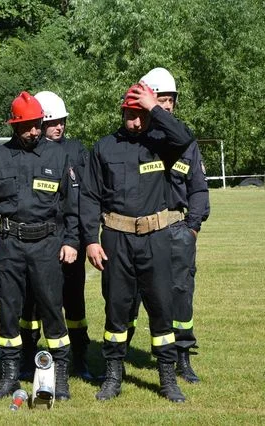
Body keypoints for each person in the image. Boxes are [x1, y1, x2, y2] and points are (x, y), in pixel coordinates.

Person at [80, 83, 194, 403]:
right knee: (116, 308)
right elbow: (89, 196)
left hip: (156, 237)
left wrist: (155, 107)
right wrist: (90, 240)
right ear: (122, 112)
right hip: (116, 238)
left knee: (161, 307)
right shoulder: (103, 147)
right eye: (131, 115)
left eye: (141, 116)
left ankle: (168, 378)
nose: (136, 123)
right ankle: (114, 374)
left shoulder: (162, 143)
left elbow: (186, 138)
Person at [0, 92, 79, 400]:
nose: (34, 131)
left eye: (37, 125)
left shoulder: (58, 155)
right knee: (8, 310)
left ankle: (60, 375)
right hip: (9, 243)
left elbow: (71, 204)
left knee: (51, 307)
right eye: (27, 126)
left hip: (47, 244)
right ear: (15, 126)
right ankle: (9, 376)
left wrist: (72, 240)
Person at [138, 67, 210, 383]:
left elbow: (198, 188)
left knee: (181, 294)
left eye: (170, 101)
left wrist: (192, 228)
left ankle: (183, 357)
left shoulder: (186, 142)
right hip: (145, 232)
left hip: (179, 230)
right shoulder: (141, 140)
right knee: (134, 296)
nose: (166, 106)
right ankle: (119, 354)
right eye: (160, 100)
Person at [18, 91, 93, 381]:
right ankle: (28, 357)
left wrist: (76, 239)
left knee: (74, 301)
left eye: (61, 121)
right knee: (31, 302)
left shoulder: (76, 151)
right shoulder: (26, 152)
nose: (58, 127)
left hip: (69, 237)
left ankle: (80, 358)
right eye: (52, 122)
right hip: (37, 239)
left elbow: (84, 196)